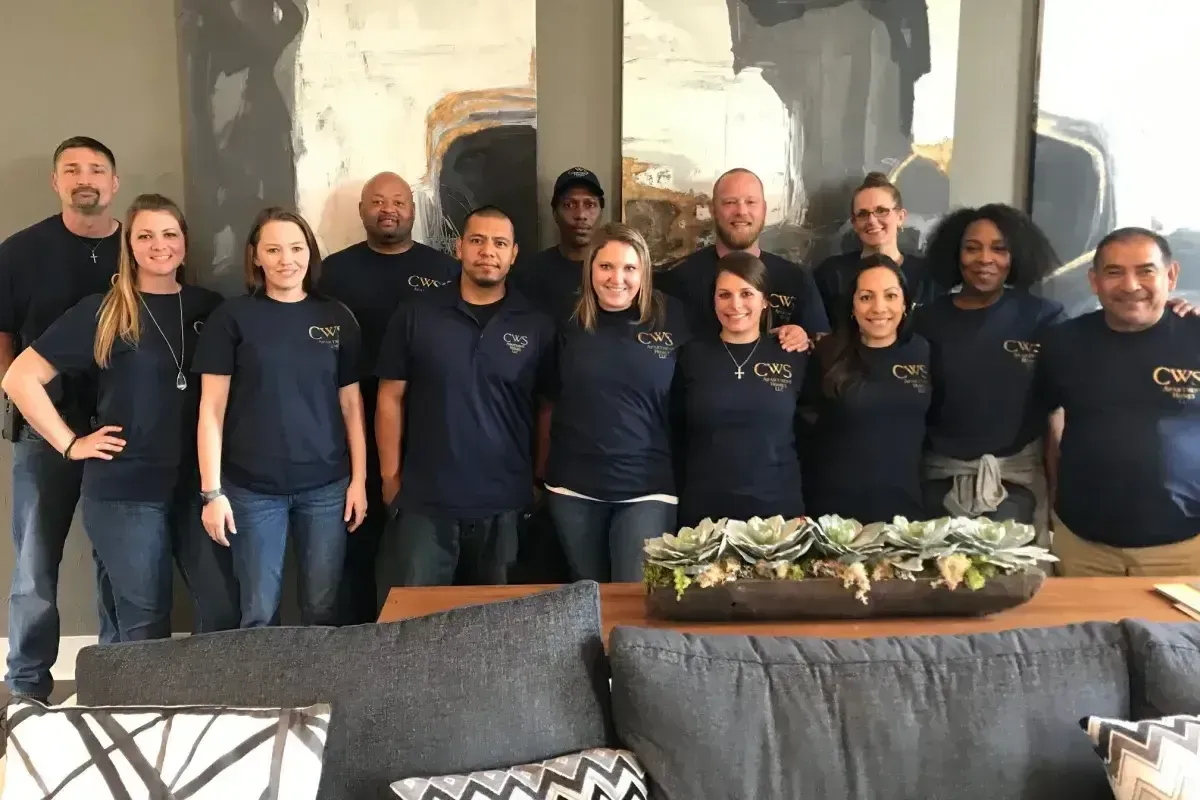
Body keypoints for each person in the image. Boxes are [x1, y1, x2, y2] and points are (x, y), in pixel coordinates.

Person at [0, 194, 240, 642]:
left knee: (223, 607)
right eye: (144, 236)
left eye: (169, 234)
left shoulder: (211, 308)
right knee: (144, 622)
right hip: (125, 490)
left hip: (199, 488)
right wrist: (71, 444)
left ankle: (209, 710)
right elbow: (19, 378)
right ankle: (139, 712)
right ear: (128, 245)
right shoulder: (104, 310)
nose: (159, 245)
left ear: (185, 242)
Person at [194, 207, 367, 627]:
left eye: (296, 247)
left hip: (327, 488)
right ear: (256, 257)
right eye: (273, 249)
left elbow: (351, 405)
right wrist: (212, 493)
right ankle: (262, 695)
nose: (286, 259)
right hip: (253, 491)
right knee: (257, 612)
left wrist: (359, 480)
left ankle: (318, 693)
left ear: (310, 252)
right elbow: (211, 409)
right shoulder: (232, 317)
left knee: (323, 608)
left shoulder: (337, 317)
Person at [374, 206, 555, 587]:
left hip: (505, 505)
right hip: (425, 503)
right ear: (459, 248)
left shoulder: (536, 324)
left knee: (499, 631)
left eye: (499, 243)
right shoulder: (415, 315)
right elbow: (390, 398)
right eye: (477, 240)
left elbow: (547, 408)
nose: (488, 251)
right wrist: (390, 479)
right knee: (416, 629)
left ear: (514, 254)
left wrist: (537, 479)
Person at [0, 136, 121, 700]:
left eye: (96, 168)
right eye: (71, 169)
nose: (84, 178)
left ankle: (115, 686)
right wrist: (24, 403)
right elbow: (4, 342)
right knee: (34, 569)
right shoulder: (20, 252)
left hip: (122, 431)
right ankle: (25, 691)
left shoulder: (143, 246)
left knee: (118, 561)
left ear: (114, 182)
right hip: (44, 433)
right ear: (55, 182)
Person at [317, 171, 458, 624]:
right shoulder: (332, 272)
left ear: (413, 211)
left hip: (427, 430)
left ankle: (418, 635)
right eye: (377, 202)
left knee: (418, 544)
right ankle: (359, 635)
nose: (388, 210)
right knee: (356, 537)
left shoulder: (444, 271)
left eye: (398, 201)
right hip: (348, 427)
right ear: (361, 211)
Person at [1038, 228, 1200, 575]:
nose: (1130, 285)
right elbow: (1049, 420)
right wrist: (1054, 500)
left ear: (1170, 276)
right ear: (1094, 280)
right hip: (1083, 548)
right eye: (1114, 272)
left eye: (1145, 270)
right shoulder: (1062, 342)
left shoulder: (1196, 334)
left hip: (1185, 550)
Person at [543, 223, 686, 582]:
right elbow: (545, 399)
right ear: (590, 268)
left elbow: (730, 342)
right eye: (606, 266)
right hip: (572, 486)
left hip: (647, 486)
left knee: (633, 602)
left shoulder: (675, 316)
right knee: (586, 603)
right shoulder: (564, 318)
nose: (616, 278)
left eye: (629, 268)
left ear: (644, 272)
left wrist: (788, 333)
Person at [914, 204, 1065, 539]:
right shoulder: (926, 321)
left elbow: (1056, 413)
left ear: (1017, 255)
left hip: (1017, 485)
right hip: (937, 484)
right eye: (972, 248)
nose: (985, 259)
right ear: (955, 254)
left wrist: (1058, 493)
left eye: (999, 249)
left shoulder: (1043, 318)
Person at [672, 251, 809, 527]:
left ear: (765, 302)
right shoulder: (689, 355)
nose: (735, 305)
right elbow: (674, 432)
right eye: (724, 295)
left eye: (746, 294)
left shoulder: (792, 353)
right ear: (713, 301)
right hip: (704, 515)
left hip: (778, 513)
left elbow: (810, 432)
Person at [804, 255, 930, 522]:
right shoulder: (827, 354)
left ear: (905, 303)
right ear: (852, 305)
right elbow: (803, 433)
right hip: (835, 516)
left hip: (905, 513)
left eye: (890, 296)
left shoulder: (923, 350)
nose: (878, 307)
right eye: (866, 297)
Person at [657, 168, 827, 352]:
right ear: (713, 210)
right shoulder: (676, 279)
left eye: (751, 202)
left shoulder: (796, 279)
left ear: (764, 209)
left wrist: (803, 337)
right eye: (730, 202)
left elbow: (821, 344)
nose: (741, 211)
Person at [813, 172, 940, 325]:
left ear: (900, 217)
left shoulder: (927, 276)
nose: (872, 220)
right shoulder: (832, 274)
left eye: (881, 211)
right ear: (854, 223)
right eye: (863, 214)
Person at [509, 167, 605, 321]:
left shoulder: (616, 275)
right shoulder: (529, 274)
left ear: (601, 212)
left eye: (590, 205)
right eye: (569, 205)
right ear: (555, 213)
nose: (581, 215)